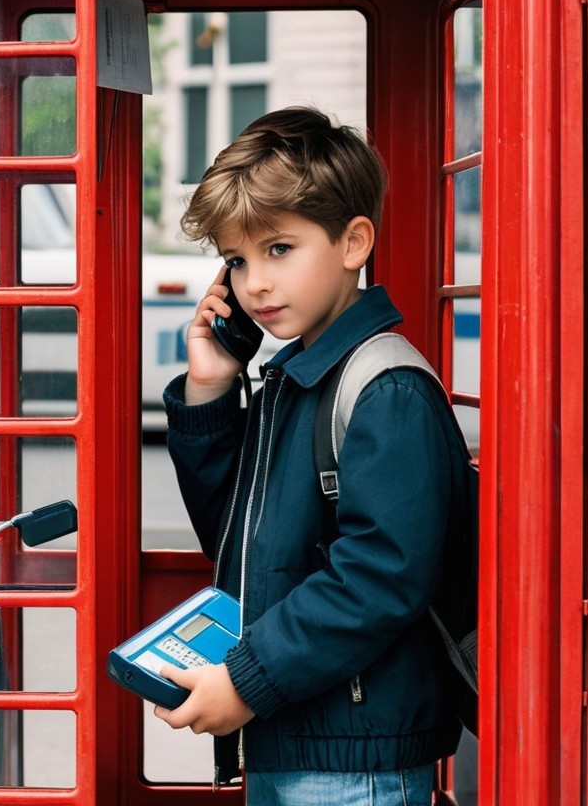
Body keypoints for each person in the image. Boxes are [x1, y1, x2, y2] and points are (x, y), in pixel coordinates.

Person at [156, 106, 471, 805]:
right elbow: (245, 541)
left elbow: (380, 577)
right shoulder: (296, 377)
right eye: (236, 261)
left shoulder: (382, 388)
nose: (254, 285)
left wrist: (245, 680)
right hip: (299, 728)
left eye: (278, 250)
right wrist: (210, 387)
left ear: (354, 241)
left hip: (354, 760)